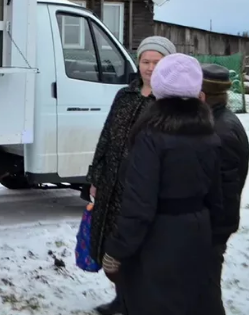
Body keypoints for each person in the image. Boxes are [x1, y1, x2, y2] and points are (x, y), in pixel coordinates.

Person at [101, 53, 222, 315]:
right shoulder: (209, 134)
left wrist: (117, 250)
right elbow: (217, 198)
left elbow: (139, 206)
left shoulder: (151, 136)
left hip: (158, 241)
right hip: (197, 237)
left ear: (159, 87)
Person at [86, 36, 175, 315]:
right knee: (111, 243)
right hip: (112, 183)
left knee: (139, 246)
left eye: (156, 62)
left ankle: (136, 300)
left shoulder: (169, 104)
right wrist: (96, 176)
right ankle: (122, 297)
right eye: (145, 61)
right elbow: (107, 136)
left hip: (140, 189)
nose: (149, 68)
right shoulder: (125, 95)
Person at [200, 64, 249, 315]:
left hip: (214, 226)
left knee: (207, 289)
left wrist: (208, 228)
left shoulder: (221, 130)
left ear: (202, 95)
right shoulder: (221, 121)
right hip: (215, 223)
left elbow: (225, 189)